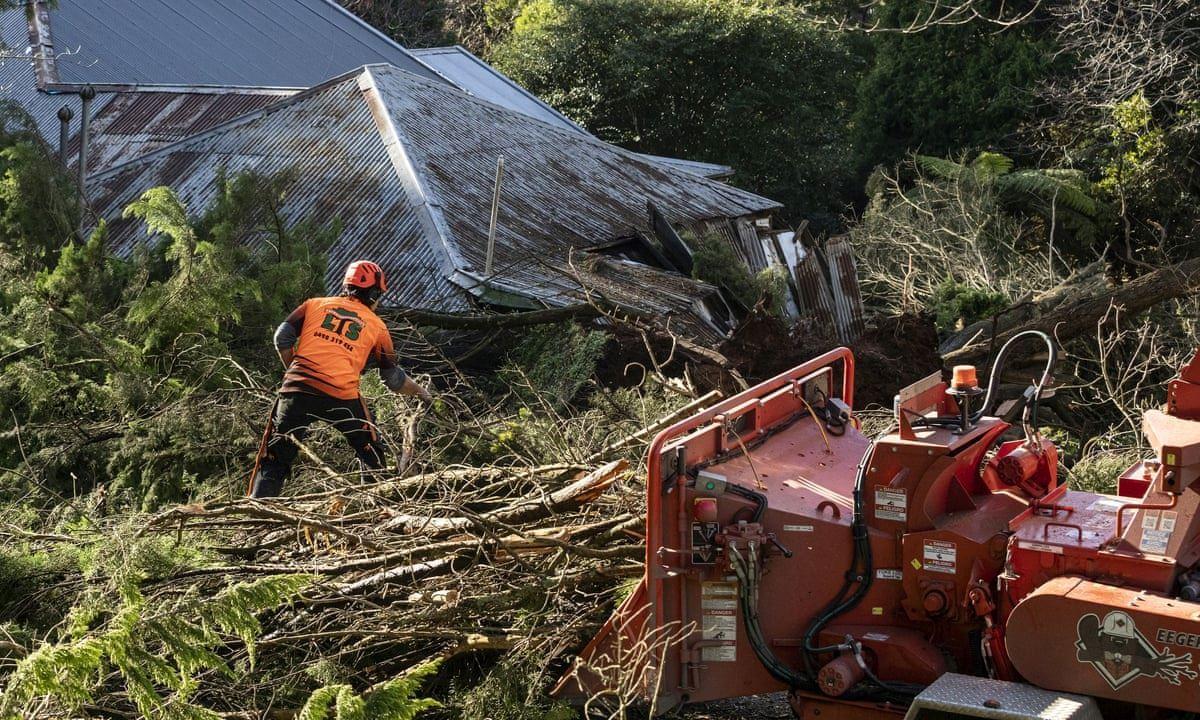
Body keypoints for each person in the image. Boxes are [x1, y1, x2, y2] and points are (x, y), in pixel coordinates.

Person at [250, 260, 432, 498]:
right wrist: (423, 394)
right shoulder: (377, 327)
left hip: (296, 391)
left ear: (347, 285)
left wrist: (294, 372)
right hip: (341, 396)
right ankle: (374, 508)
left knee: (275, 458)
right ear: (375, 293)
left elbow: (281, 338)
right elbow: (394, 380)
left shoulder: (313, 305)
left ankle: (260, 516)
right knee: (370, 450)